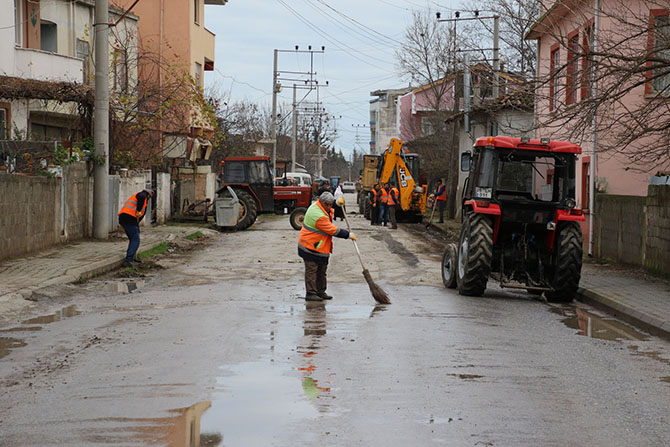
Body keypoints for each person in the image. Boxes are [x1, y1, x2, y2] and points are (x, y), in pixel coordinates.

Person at [298, 192, 356, 302]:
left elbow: (329, 206)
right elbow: (333, 230)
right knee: (312, 270)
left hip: (321, 246)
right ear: (322, 202)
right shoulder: (317, 215)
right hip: (310, 246)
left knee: (322, 270)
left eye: (331, 204)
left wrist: (337, 203)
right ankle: (310, 293)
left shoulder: (321, 206)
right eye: (328, 205)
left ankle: (320, 291)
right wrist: (347, 235)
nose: (330, 207)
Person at [118, 188, 154, 268]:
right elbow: (141, 197)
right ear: (149, 195)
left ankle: (132, 257)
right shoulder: (143, 195)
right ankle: (128, 260)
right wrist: (138, 210)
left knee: (133, 238)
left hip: (126, 218)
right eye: (150, 197)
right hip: (128, 218)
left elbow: (140, 215)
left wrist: (137, 225)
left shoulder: (143, 199)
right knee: (135, 239)